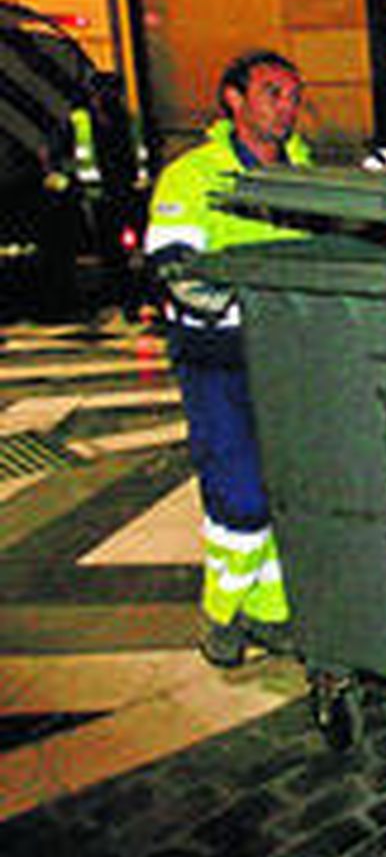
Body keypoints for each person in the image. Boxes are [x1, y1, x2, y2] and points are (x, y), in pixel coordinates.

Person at [144, 50, 312, 668]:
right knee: (238, 491)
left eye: (294, 95)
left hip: (290, 356)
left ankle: (268, 613)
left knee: (281, 488)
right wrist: (248, 304)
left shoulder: (302, 170)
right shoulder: (194, 174)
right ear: (233, 99)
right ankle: (220, 613)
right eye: (273, 92)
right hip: (219, 355)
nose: (288, 106)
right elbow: (174, 268)